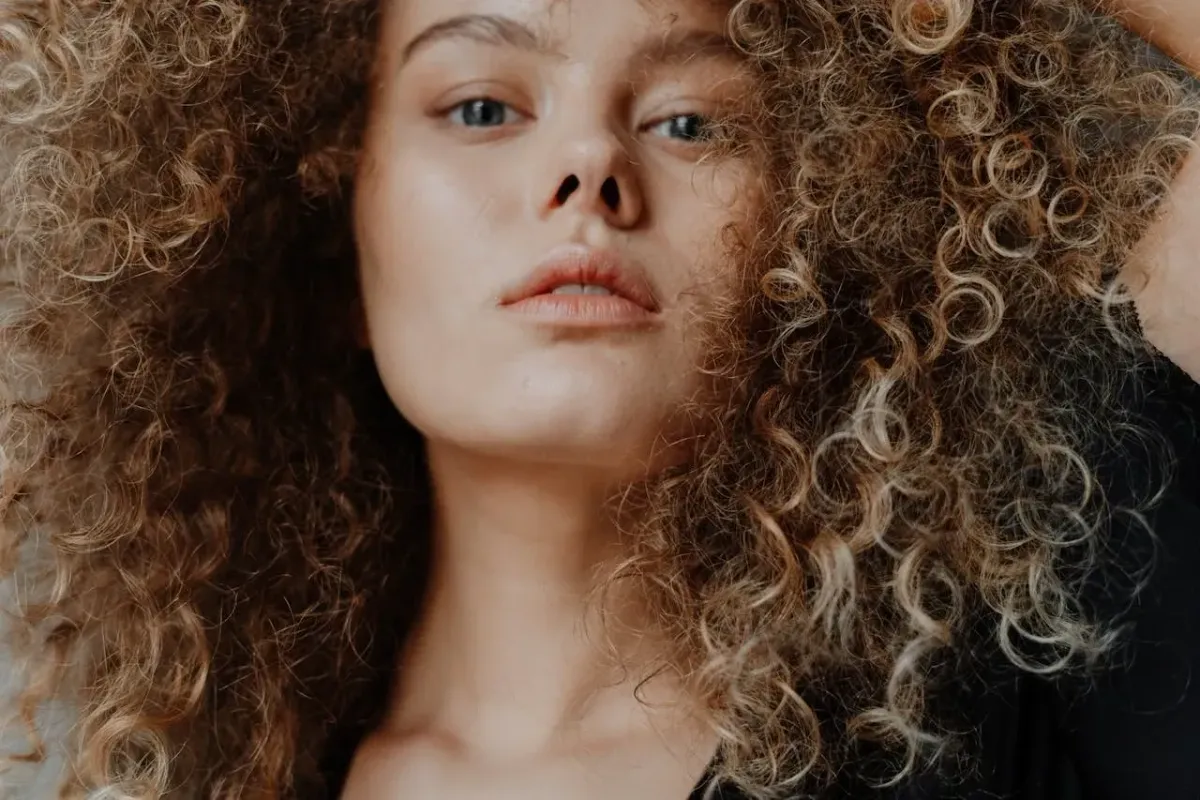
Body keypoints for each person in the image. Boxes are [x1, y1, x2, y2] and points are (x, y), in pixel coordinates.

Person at [0, 0, 1196, 798]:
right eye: (482, 107)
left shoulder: (1044, 694)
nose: (591, 169)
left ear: (821, 229)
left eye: (692, 121)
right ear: (331, 226)